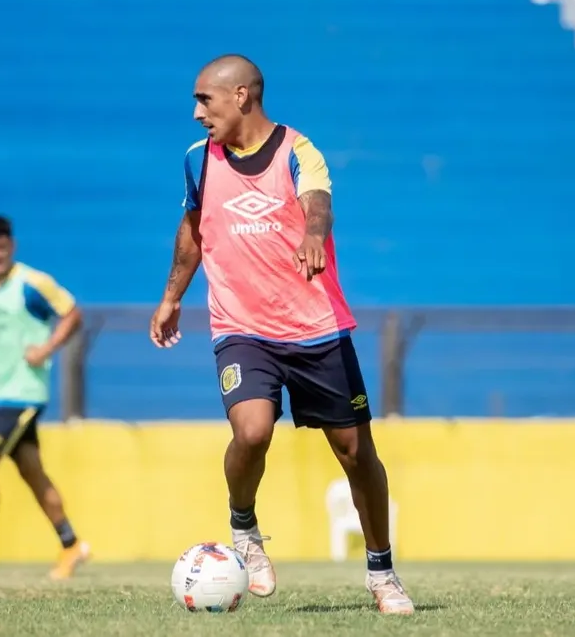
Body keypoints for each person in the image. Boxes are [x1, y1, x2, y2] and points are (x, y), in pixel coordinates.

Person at [149, 54, 414, 614]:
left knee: (354, 452)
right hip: (242, 328)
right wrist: (172, 296)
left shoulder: (299, 151)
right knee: (252, 430)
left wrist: (313, 235)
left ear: (241, 95)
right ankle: (243, 529)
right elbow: (193, 229)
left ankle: (382, 573)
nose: (198, 113)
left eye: (206, 99)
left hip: (316, 329)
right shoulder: (199, 161)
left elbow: (318, 203)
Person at [0, 215, 90, 580]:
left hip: (23, 392)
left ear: (12, 247)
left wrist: (47, 349)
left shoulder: (31, 283)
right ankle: (71, 544)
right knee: (31, 472)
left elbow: (72, 313)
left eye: (3, 248)